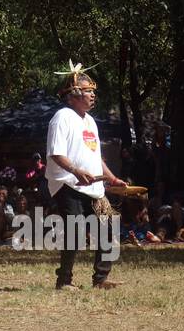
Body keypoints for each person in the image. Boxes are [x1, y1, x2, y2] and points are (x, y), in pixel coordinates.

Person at [46, 62, 126, 290]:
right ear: (74, 94)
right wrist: (76, 172)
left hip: (93, 187)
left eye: (93, 91)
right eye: (89, 91)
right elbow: (56, 154)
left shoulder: (90, 121)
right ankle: (64, 281)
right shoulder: (62, 117)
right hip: (68, 184)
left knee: (108, 229)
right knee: (75, 230)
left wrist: (111, 178)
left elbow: (95, 157)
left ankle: (101, 279)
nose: (93, 95)